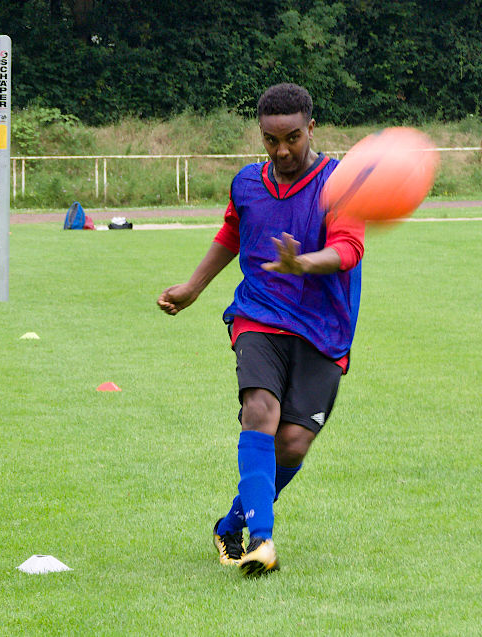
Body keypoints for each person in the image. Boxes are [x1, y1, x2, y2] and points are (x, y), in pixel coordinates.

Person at [157, 83, 365, 577]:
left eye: (292, 137)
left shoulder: (341, 183)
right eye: (271, 140)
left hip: (324, 329)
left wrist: (304, 263)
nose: (282, 150)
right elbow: (233, 231)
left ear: (311, 128)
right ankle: (261, 540)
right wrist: (193, 287)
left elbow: (349, 249)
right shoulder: (247, 183)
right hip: (259, 315)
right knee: (260, 409)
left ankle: (230, 522)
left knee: (292, 442)